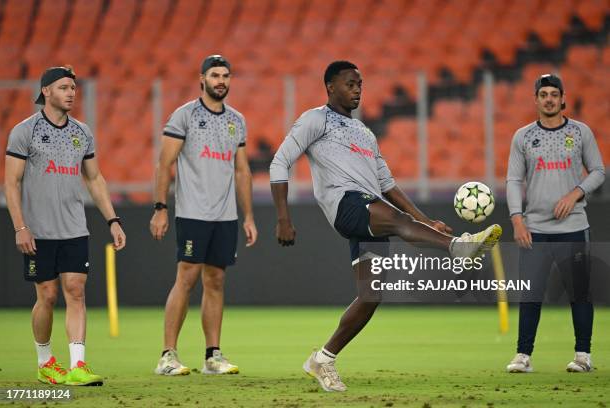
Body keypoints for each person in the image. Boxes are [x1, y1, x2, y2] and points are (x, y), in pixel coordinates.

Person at [269, 60, 502, 392]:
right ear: (330, 87)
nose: (357, 89)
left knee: (371, 293)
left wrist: (425, 221)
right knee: (395, 219)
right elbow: (280, 161)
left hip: (370, 209)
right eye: (350, 83)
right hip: (345, 203)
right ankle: (458, 248)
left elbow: (388, 185)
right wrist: (282, 217)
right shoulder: (314, 119)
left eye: (360, 84)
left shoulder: (365, 133)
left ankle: (323, 358)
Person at [4, 66, 126, 386]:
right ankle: (45, 362)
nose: (71, 92)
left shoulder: (82, 132)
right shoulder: (24, 131)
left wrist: (113, 220)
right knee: (47, 295)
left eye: (73, 87)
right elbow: (11, 183)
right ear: (46, 91)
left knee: (76, 290)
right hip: (38, 230)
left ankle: (78, 365)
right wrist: (20, 227)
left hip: (74, 228)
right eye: (63, 87)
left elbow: (94, 178)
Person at [150, 55, 257, 376]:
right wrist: (160, 208)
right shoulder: (184, 116)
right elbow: (164, 164)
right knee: (187, 277)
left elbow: (242, 171)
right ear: (202, 79)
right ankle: (167, 355)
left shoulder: (236, 120)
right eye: (215, 75)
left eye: (225, 75)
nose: (221, 80)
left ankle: (213, 356)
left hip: (225, 216)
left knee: (217, 280)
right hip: (192, 212)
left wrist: (248, 216)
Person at [505, 74, 605, 373]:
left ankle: (583, 355)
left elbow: (598, 170)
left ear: (563, 99)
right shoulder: (522, 136)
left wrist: (576, 193)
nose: (549, 99)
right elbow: (513, 180)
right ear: (535, 100)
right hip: (535, 229)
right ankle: (523, 356)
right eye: (543, 94)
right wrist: (517, 219)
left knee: (579, 293)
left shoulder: (580, 132)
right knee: (530, 293)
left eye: (554, 94)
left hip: (573, 227)